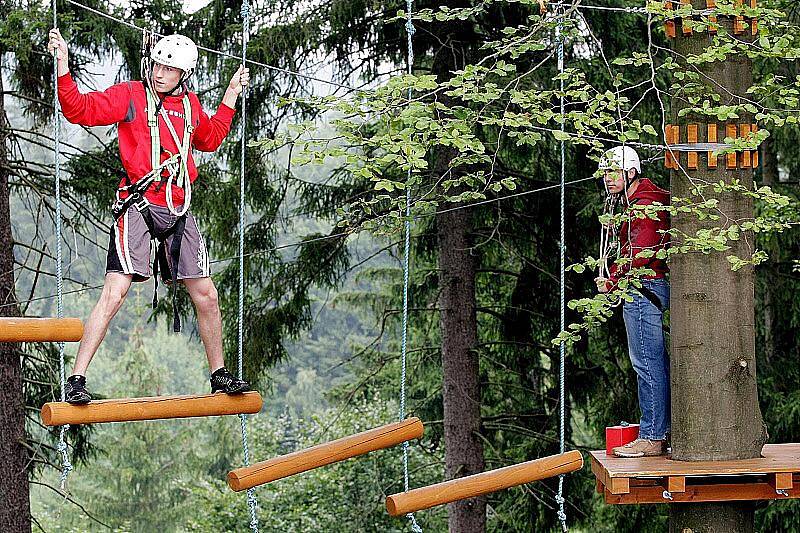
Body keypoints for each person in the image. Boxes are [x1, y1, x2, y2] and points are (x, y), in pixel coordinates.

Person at [48, 28, 252, 404]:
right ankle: (76, 378)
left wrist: (231, 94)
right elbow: (79, 110)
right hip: (138, 203)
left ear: (183, 75)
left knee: (206, 294)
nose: (160, 74)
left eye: (169, 70)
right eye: (157, 65)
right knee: (116, 291)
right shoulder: (130, 96)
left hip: (177, 206)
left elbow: (210, 138)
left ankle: (219, 373)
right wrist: (62, 62)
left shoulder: (189, 107)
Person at [595, 146, 671, 458]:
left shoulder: (643, 206)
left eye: (613, 172)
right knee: (655, 364)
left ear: (631, 173)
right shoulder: (643, 202)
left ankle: (652, 436)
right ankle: (661, 431)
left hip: (641, 289)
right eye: (604, 173)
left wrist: (611, 282)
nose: (606, 178)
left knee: (647, 364)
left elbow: (639, 256)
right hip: (650, 285)